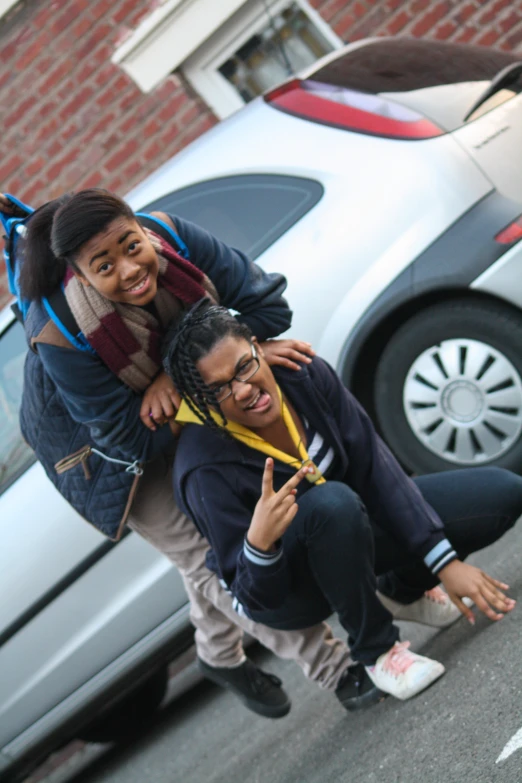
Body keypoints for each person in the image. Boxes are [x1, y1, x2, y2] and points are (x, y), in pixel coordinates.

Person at [1, 188, 363, 717]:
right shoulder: (58, 333)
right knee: (209, 555)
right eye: (105, 265)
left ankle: (217, 654)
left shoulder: (169, 235)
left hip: (183, 407)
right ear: (80, 273)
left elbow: (266, 305)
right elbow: (129, 437)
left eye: (131, 246)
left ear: (140, 227)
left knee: (233, 536)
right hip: (108, 454)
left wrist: (179, 375)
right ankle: (338, 671)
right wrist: (210, 375)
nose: (128, 270)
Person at [166, 300, 522, 703]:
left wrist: (444, 561)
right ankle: (379, 652)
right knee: (330, 503)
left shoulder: (302, 376)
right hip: (288, 589)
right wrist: (259, 543)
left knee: (501, 493)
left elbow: (376, 468)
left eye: (245, 366)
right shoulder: (203, 469)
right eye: (219, 389)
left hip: (348, 527)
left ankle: (401, 589)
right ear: (201, 402)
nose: (244, 389)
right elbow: (253, 597)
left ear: (256, 346)